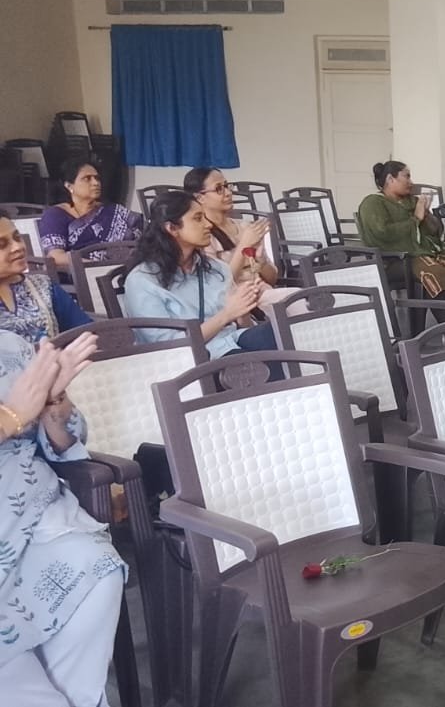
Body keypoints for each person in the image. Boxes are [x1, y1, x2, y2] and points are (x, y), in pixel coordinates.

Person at [0, 330, 127, 707]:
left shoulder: (11, 345)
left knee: (96, 568)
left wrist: (54, 400)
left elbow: (63, 445)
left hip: (34, 513)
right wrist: (12, 415)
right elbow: (16, 413)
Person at [122, 191, 281, 369]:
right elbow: (170, 347)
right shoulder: (143, 282)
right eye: (198, 218)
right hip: (186, 362)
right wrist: (227, 314)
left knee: (281, 336)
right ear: (172, 228)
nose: (208, 225)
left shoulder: (215, 268)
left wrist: (243, 310)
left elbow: (243, 327)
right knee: (257, 367)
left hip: (229, 342)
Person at [184, 167, 302, 318]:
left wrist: (261, 263)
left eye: (227, 186)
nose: (228, 193)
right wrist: (244, 245)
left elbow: (272, 278)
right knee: (298, 300)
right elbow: (219, 287)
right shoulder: (204, 236)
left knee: (305, 300)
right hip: (240, 303)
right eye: (219, 189)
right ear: (200, 198)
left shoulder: (244, 227)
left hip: (264, 294)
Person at [357, 161, 445, 298]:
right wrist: (415, 219)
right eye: (406, 176)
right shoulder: (372, 203)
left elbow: (434, 231)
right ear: (391, 179)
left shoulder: (412, 201)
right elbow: (383, 232)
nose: (411, 182)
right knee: (436, 274)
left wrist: (426, 214)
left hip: (424, 252)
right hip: (394, 260)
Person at [37, 158, 143, 268]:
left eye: (97, 178)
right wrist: (97, 266)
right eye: (87, 179)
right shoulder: (55, 215)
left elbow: (143, 234)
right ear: (69, 186)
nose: (95, 183)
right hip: (81, 276)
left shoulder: (112, 210)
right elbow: (56, 257)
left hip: (124, 269)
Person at [0, 216, 92, 342]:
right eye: (1, 245)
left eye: (17, 237)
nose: (17, 247)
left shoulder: (43, 286)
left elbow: (85, 334)